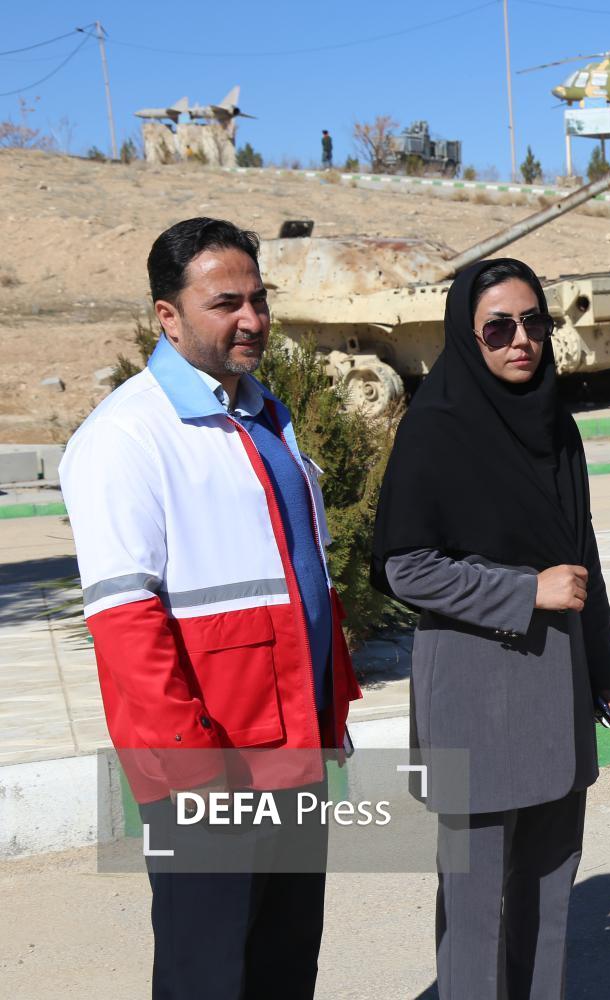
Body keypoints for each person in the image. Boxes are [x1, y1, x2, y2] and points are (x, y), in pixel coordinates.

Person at [59, 217, 362, 999]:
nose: (252, 320)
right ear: (168, 316)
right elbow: (126, 628)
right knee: (208, 975)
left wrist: (329, 722)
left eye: (259, 299)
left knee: (284, 967)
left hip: (294, 751)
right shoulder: (126, 437)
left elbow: (302, 588)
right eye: (226, 303)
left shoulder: (265, 417)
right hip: (210, 767)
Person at [371, 257, 610, 1000]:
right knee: (476, 897)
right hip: (474, 683)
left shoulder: (555, 424)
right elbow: (406, 568)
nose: (521, 341)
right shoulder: (436, 430)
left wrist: (601, 667)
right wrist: (524, 590)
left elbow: (581, 552)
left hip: (557, 675)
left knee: (550, 882)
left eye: (534, 323)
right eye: (499, 328)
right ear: (465, 334)